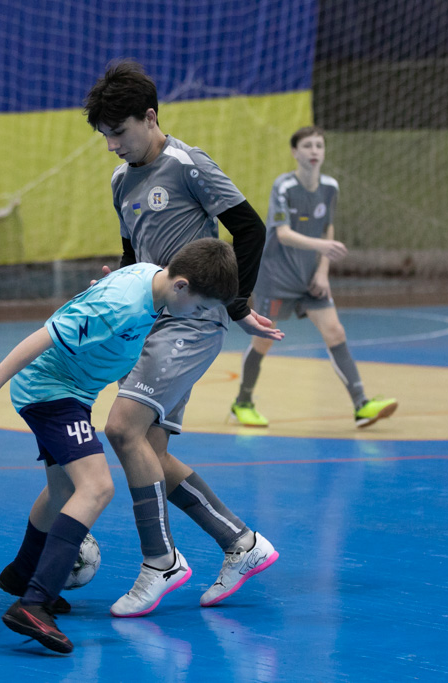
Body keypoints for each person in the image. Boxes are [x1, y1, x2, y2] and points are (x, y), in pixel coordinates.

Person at [0, 238, 240, 654]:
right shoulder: (122, 306)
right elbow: (45, 335)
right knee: (97, 487)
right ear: (181, 285)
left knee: (63, 490)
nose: (197, 315)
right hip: (52, 392)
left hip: (71, 392)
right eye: (199, 306)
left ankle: (22, 573)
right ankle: (34, 603)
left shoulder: (151, 280)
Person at [83, 60, 283, 618]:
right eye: (105, 136)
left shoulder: (189, 165)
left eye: (119, 132)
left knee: (121, 429)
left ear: (150, 117)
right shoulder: (121, 180)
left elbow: (250, 229)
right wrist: (118, 287)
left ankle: (161, 562)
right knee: (149, 453)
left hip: (192, 322)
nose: (112, 146)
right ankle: (241, 544)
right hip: (150, 320)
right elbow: (133, 255)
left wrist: (235, 304)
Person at [230, 126, 398, 428]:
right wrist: (322, 247)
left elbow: (326, 228)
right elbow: (282, 233)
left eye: (319, 145)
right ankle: (242, 403)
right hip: (277, 278)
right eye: (308, 146)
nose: (314, 151)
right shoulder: (283, 186)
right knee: (264, 341)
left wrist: (323, 272)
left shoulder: (330, 187)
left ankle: (361, 405)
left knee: (335, 331)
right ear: (295, 152)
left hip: (310, 278)